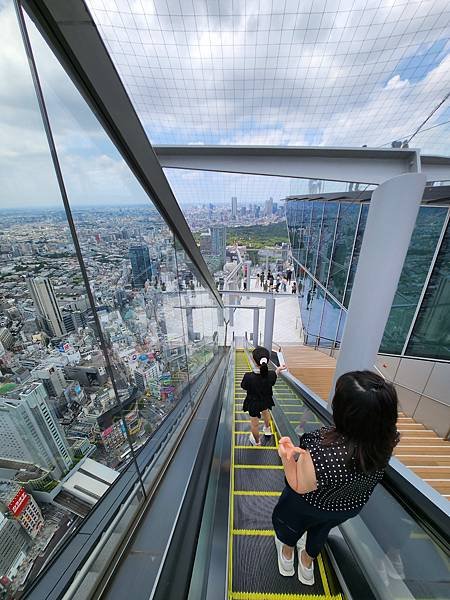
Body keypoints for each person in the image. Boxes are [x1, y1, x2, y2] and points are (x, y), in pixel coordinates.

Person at [272, 370, 399, 586]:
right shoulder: (384, 445)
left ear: (344, 412)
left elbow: (298, 485)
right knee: (321, 530)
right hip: (346, 507)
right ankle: (306, 564)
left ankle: (286, 556)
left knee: (291, 525)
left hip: (308, 504)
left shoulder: (321, 449)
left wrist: (285, 456)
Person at [241, 346, 287, 446]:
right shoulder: (270, 375)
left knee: (255, 424)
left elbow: (243, 386)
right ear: (268, 360)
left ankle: (257, 442)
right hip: (266, 400)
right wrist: (279, 369)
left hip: (253, 403)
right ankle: (267, 429)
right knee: (266, 412)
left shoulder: (248, 376)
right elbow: (274, 375)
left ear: (253, 360)